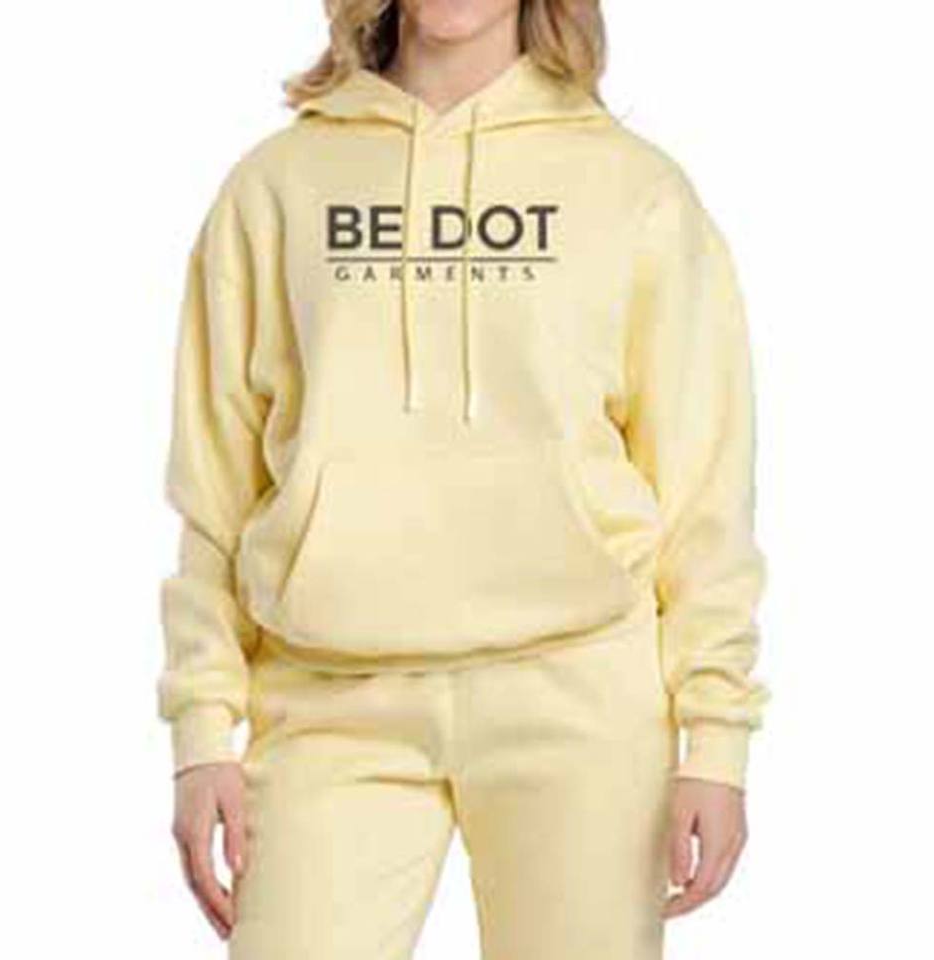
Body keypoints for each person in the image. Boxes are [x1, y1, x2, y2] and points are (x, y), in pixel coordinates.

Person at [158, 2, 768, 957]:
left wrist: (717, 739)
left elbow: (703, 488)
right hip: (329, 696)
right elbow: (214, 486)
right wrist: (201, 732)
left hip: (580, 696)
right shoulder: (275, 187)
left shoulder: (634, 190)